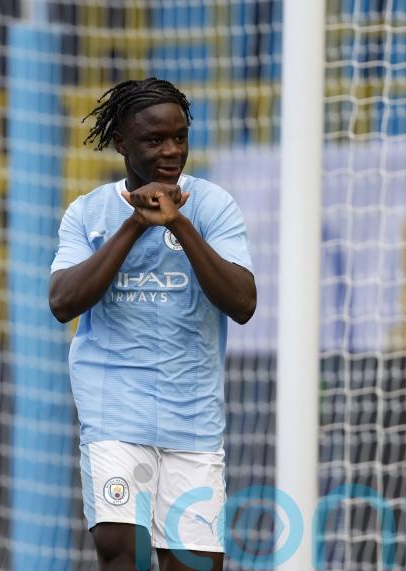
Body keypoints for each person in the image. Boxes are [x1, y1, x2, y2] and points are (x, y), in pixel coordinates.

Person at [49, 78, 256, 571]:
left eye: (180, 137)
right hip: (114, 414)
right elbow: (62, 302)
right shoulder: (88, 213)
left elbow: (243, 303)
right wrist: (135, 224)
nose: (171, 151)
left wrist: (179, 224)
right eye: (154, 140)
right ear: (122, 144)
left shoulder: (212, 207)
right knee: (125, 554)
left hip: (194, 421)